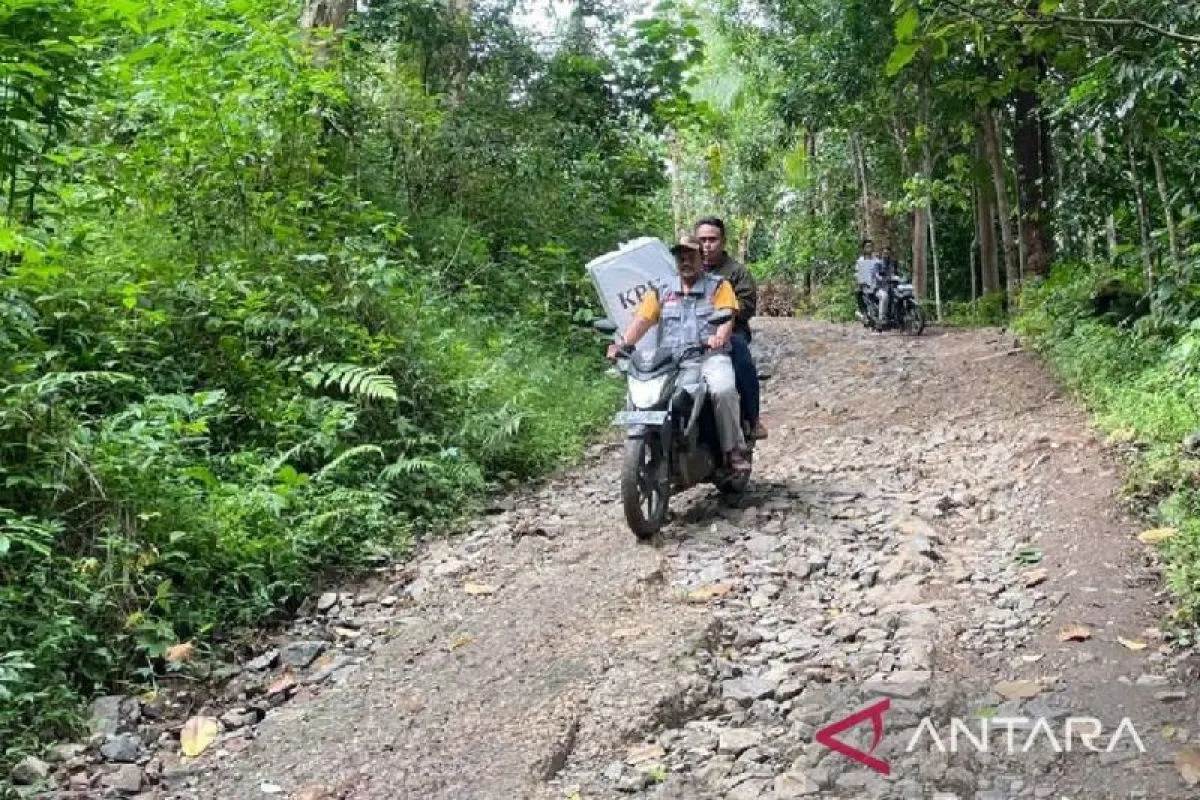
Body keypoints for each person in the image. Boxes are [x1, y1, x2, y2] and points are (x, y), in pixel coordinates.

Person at [607, 235, 751, 474]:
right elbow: (642, 320)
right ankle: (652, 442)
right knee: (645, 394)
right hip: (671, 361)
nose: (685, 261)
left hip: (709, 357)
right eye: (680, 257)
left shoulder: (718, 286)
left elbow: (727, 315)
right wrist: (622, 344)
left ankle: (733, 450)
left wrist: (719, 337)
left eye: (690, 256)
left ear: (701, 258)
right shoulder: (661, 290)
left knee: (723, 389)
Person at [693, 216, 767, 441]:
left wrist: (724, 316)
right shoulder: (686, 269)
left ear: (723, 241)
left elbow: (747, 305)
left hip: (732, 331)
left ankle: (753, 418)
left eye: (712, 239)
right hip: (690, 331)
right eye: (702, 240)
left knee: (741, 356)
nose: (707, 245)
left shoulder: (736, 272)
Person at [854, 239, 883, 327]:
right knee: (858, 292)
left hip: (875, 285)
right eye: (867, 246)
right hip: (864, 285)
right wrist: (861, 282)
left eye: (870, 246)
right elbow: (858, 273)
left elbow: (880, 272)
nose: (869, 248)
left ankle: (880, 318)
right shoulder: (860, 261)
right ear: (863, 248)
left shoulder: (876, 260)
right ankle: (864, 314)